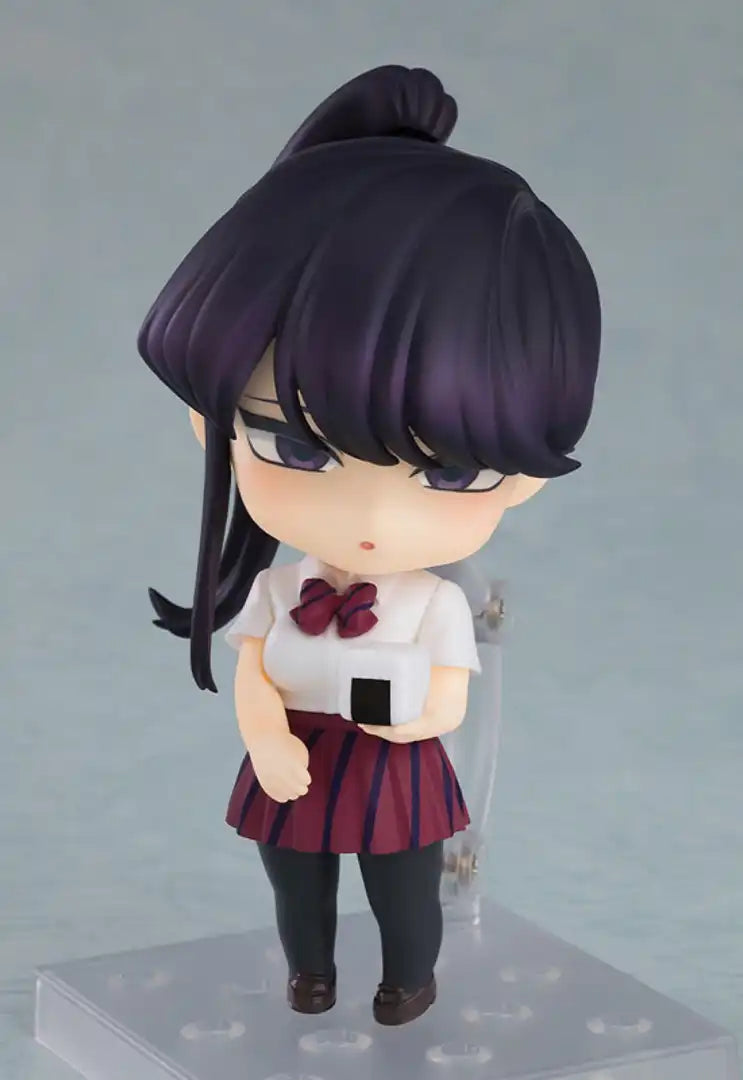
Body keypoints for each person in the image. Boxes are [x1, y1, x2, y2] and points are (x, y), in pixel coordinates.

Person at [137, 64, 601, 1026]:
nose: (374, 517)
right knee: (294, 878)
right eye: (295, 446)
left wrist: (409, 719)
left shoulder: (433, 603)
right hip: (297, 752)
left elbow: (450, 693)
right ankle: (309, 972)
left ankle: (408, 977)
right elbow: (255, 670)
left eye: (449, 472)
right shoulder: (281, 591)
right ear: (208, 425)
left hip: (395, 760)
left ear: (521, 478)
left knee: (402, 885)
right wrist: (266, 737)